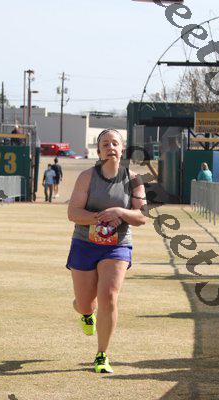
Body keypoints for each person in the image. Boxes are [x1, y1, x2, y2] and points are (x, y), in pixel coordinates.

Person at [67, 128, 147, 373]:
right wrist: (101, 218)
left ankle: (102, 355)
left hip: (117, 245)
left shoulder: (134, 180)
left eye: (114, 143)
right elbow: (73, 213)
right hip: (85, 243)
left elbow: (142, 217)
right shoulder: (86, 177)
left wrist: (120, 212)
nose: (110, 147)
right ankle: (85, 313)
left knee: (109, 296)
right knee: (85, 303)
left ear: (122, 149)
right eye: (105, 144)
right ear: (99, 151)